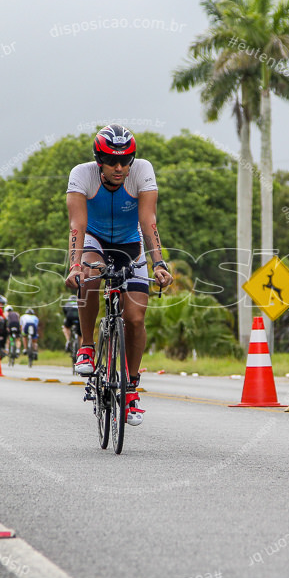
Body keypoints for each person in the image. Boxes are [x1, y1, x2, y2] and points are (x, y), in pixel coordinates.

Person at [64, 124, 174, 425]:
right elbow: (77, 225)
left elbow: (148, 220)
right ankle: (86, 346)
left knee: (136, 318)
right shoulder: (81, 174)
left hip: (131, 243)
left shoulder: (142, 171)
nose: (119, 167)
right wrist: (75, 265)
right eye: (112, 161)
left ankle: (130, 387)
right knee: (89, 273)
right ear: (98, 160)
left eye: (126, 161)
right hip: (95, 240)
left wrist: (159, 264)